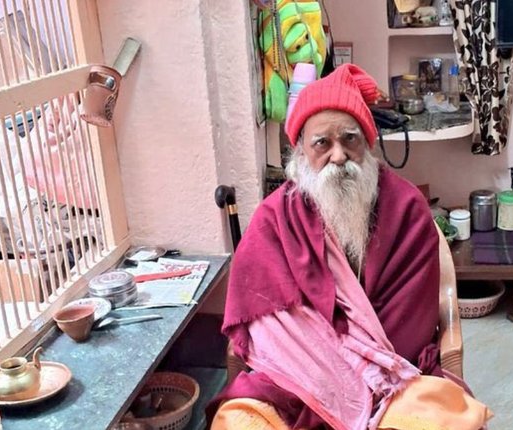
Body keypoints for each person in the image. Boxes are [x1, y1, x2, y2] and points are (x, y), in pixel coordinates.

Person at [207, 64, 492, 429]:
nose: (338, 155)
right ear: (301, 152)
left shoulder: (406, 208)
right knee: (238, 422)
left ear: (368, 143)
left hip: (391, 378)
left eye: (349, 139)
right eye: (322, 143)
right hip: (291, 383)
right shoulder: (274, 218)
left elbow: (412, 323)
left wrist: (350, 375)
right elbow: (259, 314)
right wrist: (323, 374)